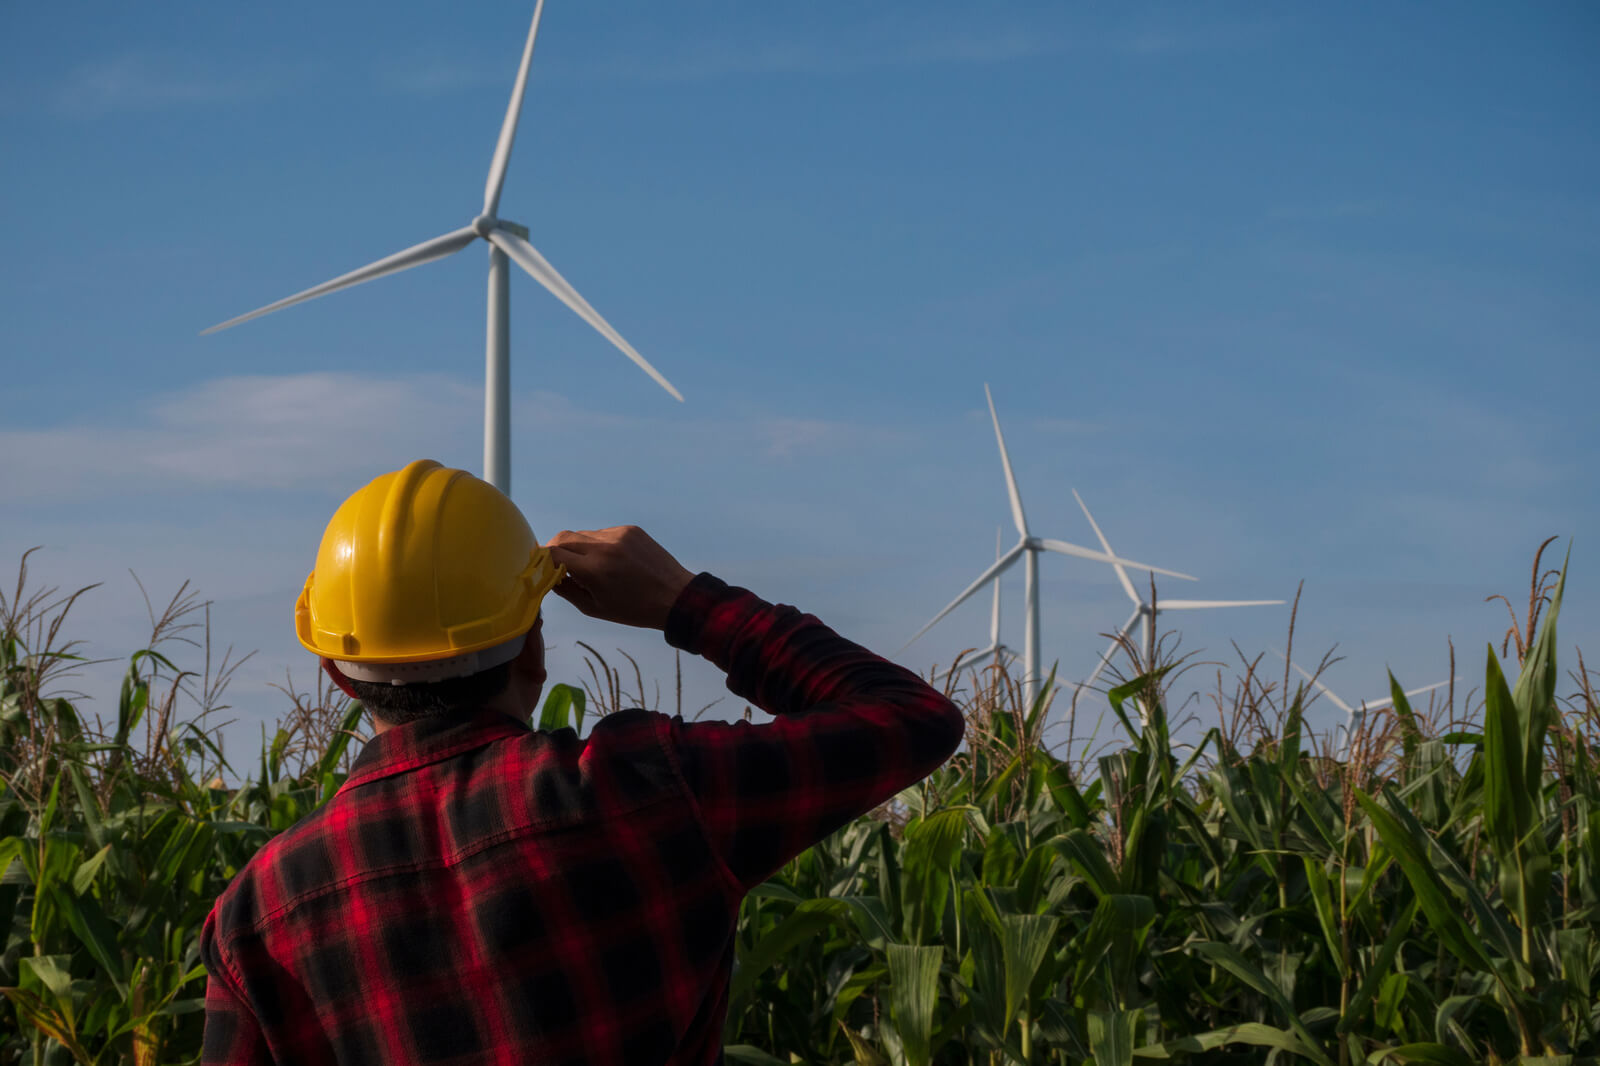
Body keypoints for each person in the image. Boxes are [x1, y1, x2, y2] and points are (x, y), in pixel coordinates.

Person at [199, 459, 965, 1065]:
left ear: (335, 671)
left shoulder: (255, 919)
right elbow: (908, 719)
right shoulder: (647, 790)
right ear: (533, 647)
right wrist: (684, 601)